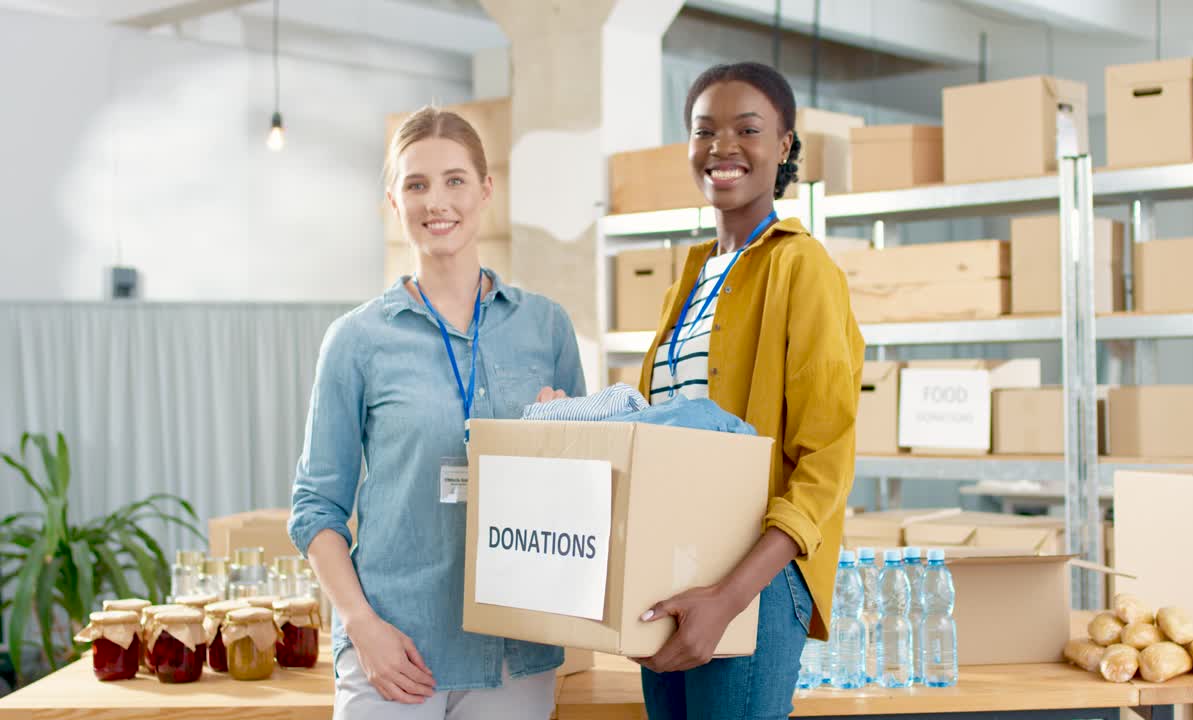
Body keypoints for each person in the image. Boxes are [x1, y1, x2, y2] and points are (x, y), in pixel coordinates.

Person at [288, 106, 586, 720]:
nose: (436, 201)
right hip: (396, 651)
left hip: (516, 653)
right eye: (416, 184)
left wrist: (568, 440)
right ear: (394, 203)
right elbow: (316, 508)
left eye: (454, 180)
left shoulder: (546, 327)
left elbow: (588, 492)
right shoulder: (357, 340)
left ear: (486, 191)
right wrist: (361, 625)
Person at [634, 62, 864, 719]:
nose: (722, 146)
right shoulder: (693, 275)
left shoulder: (803, 267)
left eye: (747, 129)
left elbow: (825, 465)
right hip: (678, 569)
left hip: (753, 582)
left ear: (785, 146)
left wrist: (729, 596)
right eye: (704, 130)